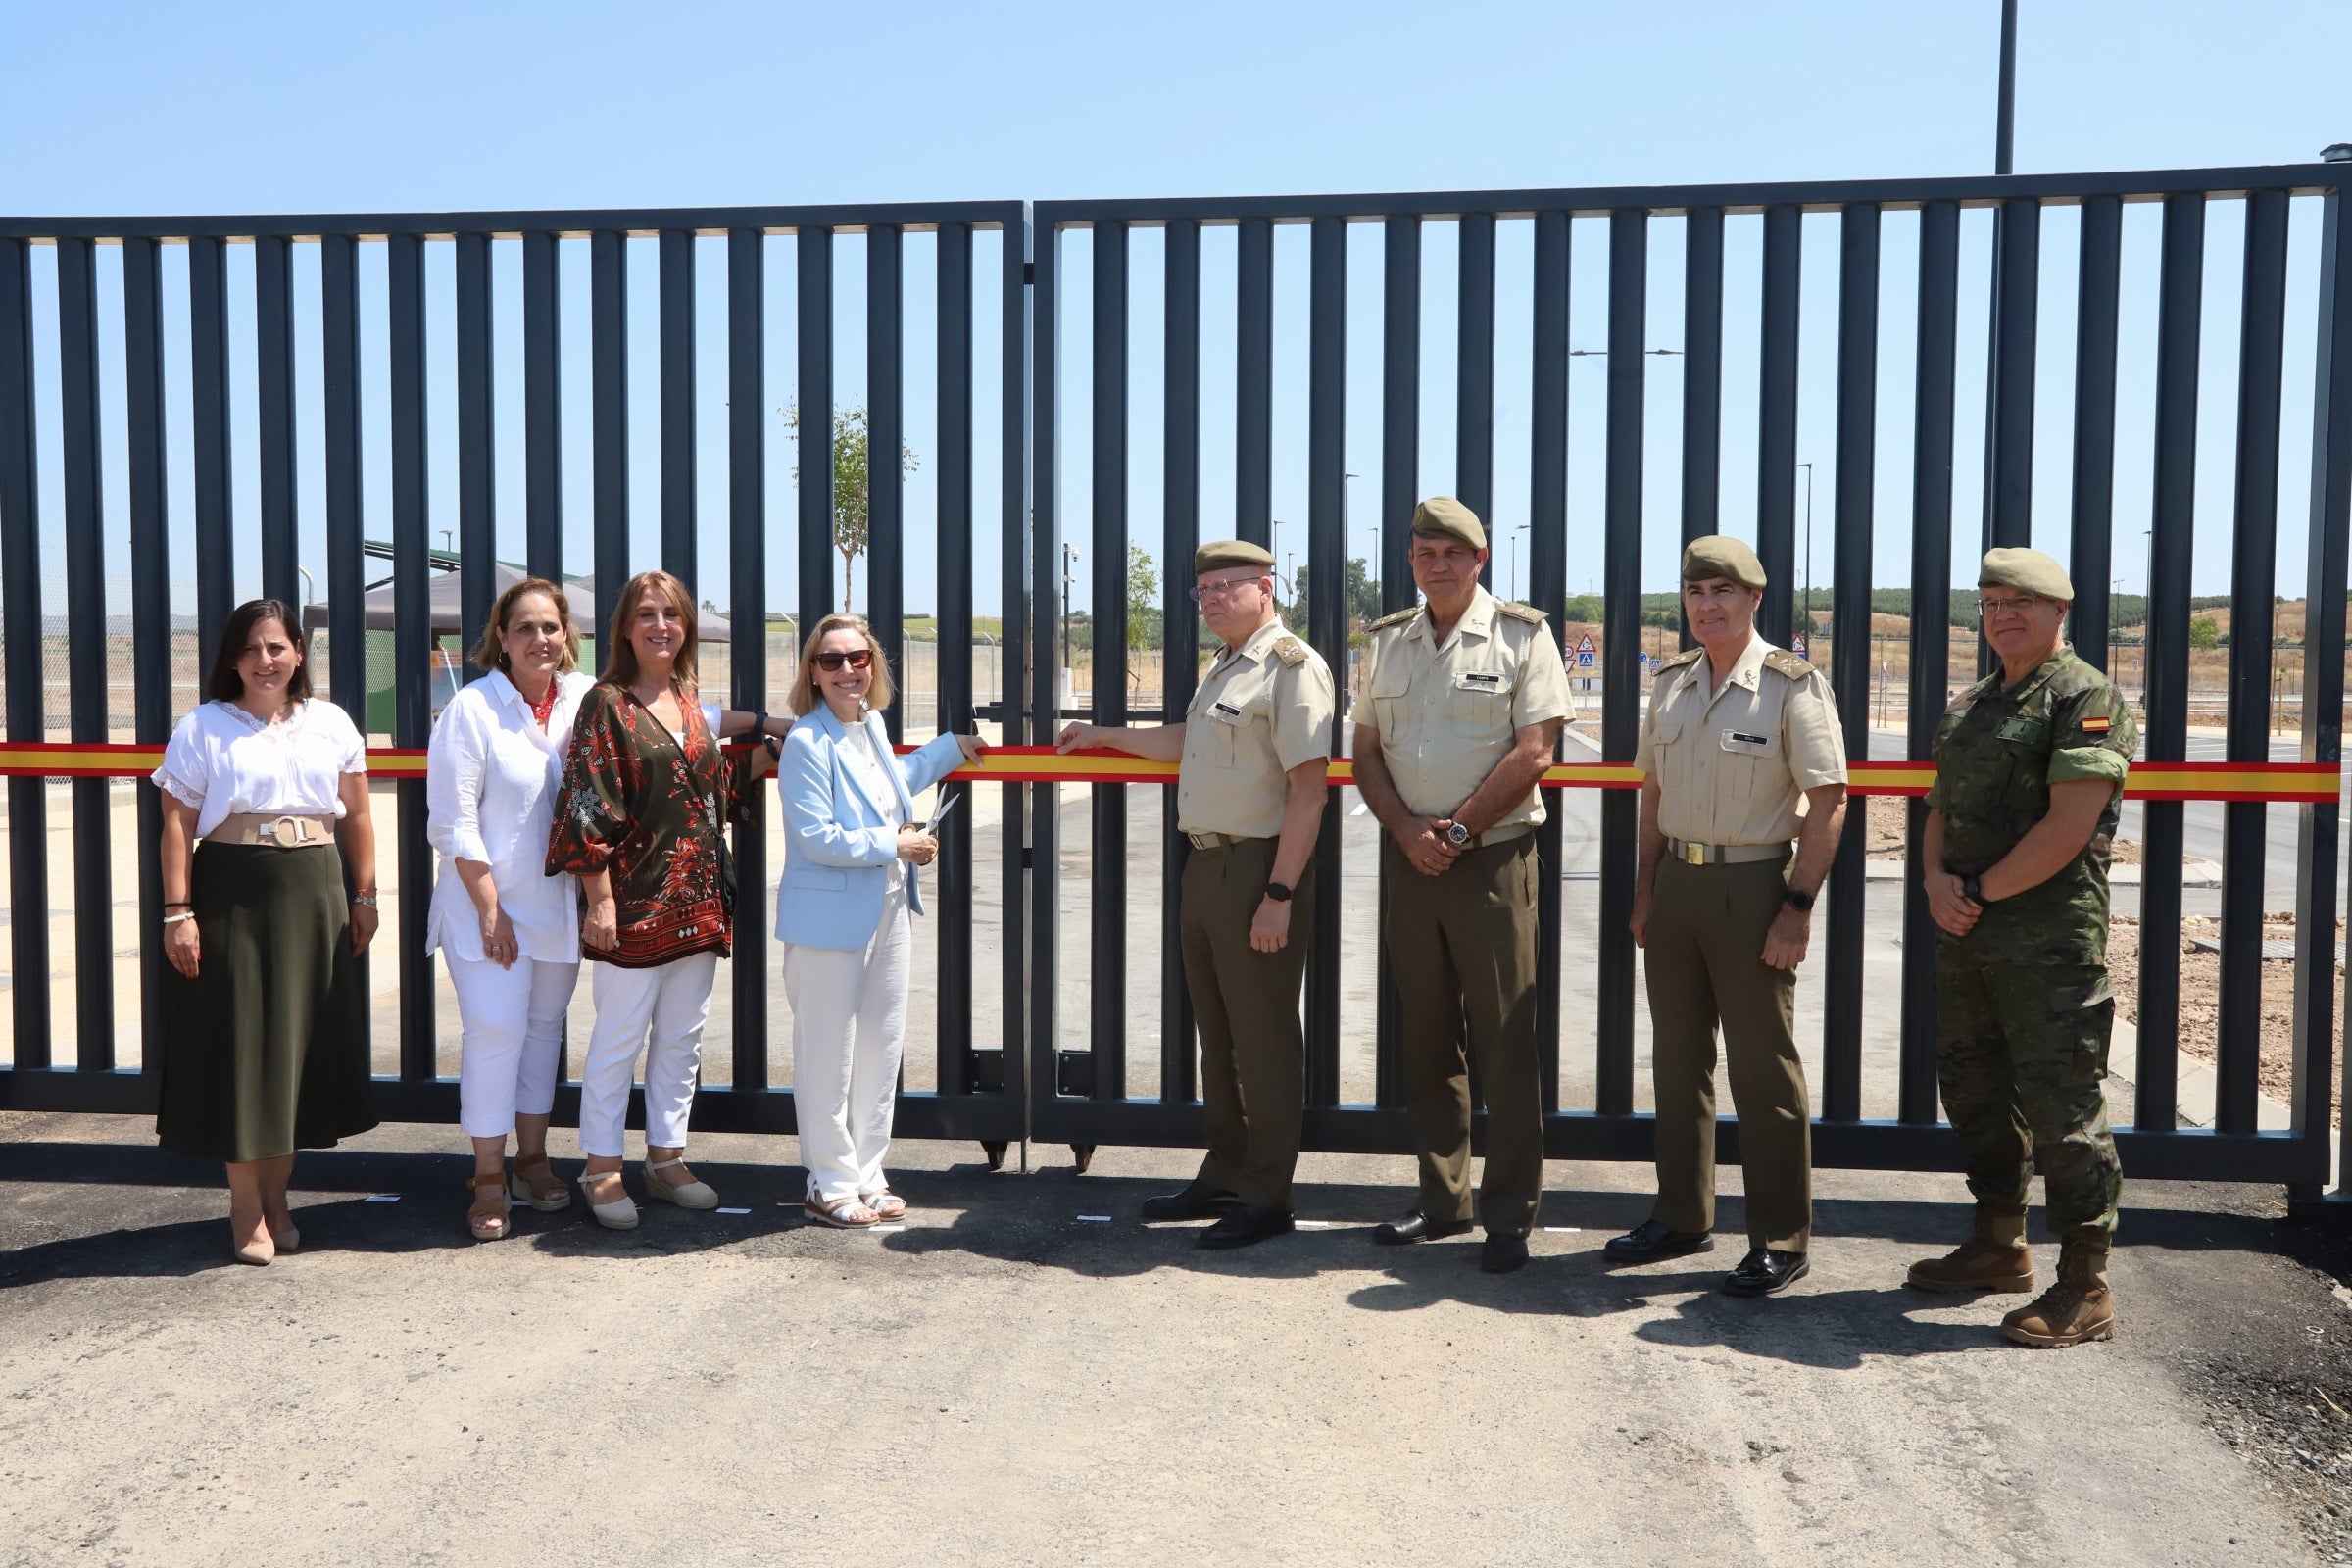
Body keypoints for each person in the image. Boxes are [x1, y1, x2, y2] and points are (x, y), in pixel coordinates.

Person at [1056, 539, 1335, 1250]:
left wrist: (1279, 892)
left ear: (1266, 588)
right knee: (1221, 1036)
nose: (1210, 600)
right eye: (1202, 590)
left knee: (1265, 1041)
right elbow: (1187, 742)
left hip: (1258, 869)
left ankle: (1268, 1196)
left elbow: (1308, 789)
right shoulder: (1225, 669)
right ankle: (1226, 1171)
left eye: (1226, 587)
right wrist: (1101, 736)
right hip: (1206, 867)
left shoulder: (1292, 669)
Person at [1607, 536, 1847, 1298]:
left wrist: (1797, 909)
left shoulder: (1791, 684)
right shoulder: (1671, 682)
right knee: (1677, 1064)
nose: (1707, 605)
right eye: (1695, 591)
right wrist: (1646, 891)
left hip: (1753, 889)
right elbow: (1652, 796)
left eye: (1723, 591)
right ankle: (1681, 1214)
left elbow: (1829, 801)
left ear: (1754, 599)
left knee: (1761, 1066)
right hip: (1679, 884)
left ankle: (1781, 1237)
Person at [1910, 547, 2135, 1348]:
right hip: (1969, 930)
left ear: (2058, 612)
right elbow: (1938, 806)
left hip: (2047, 943)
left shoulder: (2086, 697)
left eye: (2022, 602)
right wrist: (1937, 879)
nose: (2003, 614)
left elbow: (2069, 826)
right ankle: (2000, 1245)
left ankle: (2086, 1282)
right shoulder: (1971, 702)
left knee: (2061, 1108)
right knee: (1973, 1090)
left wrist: (1975, 894)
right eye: (1992, 601)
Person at [1350, 497, 1573, 1275]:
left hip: (1489, 861)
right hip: (1411, 859)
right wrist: (1409, 832)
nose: (1436, 563)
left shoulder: (1522, 635)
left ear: (1480, 559)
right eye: (1423, 551)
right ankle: (1442, 1198)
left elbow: (1536, 749)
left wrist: (1456, 831)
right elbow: (1366, 751)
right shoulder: (1387, 643)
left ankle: (1508, 1214)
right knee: (1427, 1036)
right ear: (1410, 560)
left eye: (1452, 551)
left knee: (1505, 1039)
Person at [545, 570, 778, 1230]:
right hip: (634, 904)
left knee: (682, 1039)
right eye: (646, 615)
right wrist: (601, 901)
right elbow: (587, 803)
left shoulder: (687, 698)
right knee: (618, 1041)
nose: (660, 627)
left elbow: (701, 781)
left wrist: (778, 746)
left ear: (686, 627)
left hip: (699, 904)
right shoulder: (607, 704)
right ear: (624, 627)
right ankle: (601, 1167)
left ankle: (667, 1158)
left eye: (672, 615)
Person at [151, 599, 380, 1265]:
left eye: (277, 646)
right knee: (245, 1050)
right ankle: (245, 1208)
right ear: (232, 658)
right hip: (233, 892)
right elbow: (175, 825)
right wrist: (178, 912)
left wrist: (365, 895)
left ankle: (279, 1200)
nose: (265, 660)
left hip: (314, 891)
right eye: (251, 648)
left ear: (299, 653)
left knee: (297, 1053)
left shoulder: (330, 722)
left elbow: (359, 815)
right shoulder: (202, 728)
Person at [775, 613, 985, 1228]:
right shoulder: (805, 742)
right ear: (812, 671)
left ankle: (868, 1174)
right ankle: (829, 1180)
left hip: (888, 910)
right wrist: (897, 846)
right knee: (827, 1055)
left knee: (878, 1050)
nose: (847, 670)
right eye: (832, 660)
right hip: (828, 923)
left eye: (858, 658)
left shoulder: (870, 726)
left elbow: (891, 788)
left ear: (875, 666)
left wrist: (949, 750)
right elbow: (817, 837)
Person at [426, 578, 597, 1241]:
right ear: (501, 638)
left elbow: (666, 719)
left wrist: (766, 725)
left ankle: (533, 1158)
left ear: (566, 635)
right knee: (495, 1035)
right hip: (485, 910)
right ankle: (489, 1175)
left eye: (551, 627)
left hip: (555, 905)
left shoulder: (583, 698)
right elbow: (453, 821)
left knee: (541, 1036)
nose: (540, 640)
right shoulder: (471, 709)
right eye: (525, 628)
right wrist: (490, 908)